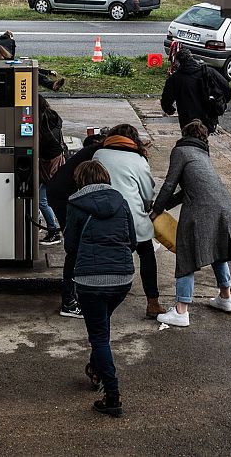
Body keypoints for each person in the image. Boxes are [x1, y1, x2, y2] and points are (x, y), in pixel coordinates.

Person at [64, 160, 137, 418]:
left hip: (90, 281)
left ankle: (113, 395)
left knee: (100, 336)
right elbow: (133, 242)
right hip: (122, 279)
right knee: (102, 325)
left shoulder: (75, 205)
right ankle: (95, 368)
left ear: (80, 180)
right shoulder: (121, 201)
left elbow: (70, 248)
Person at [152, 120, 231, 327]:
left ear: (184, 134)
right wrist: (163, 207)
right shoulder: (203, 154)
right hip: (225, 205)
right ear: (203, 138)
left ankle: (181, 311)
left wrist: (156, 210)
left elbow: (170, 184)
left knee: (187, 254)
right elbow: (186, 190)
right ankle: (226, 298)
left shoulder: (181, 150)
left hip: (202, 209)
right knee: (219, 250)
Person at [93, 124, 167, 319]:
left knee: (105, 256)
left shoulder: (99, 155)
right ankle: (152, 302)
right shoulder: (139, 159)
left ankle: (102, 298)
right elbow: (147, 193)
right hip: (133, 217)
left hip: (104, 217)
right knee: (146, 254)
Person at [47, 133, 106, 318]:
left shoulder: (97, 150)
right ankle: (69, 301)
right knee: (74, 249)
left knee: (77, 248)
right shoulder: (103, 153)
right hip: (64, 197)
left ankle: (74, 296)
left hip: (63, 194)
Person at [161, 43, 231, 133]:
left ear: (178, 62)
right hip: (207, 116)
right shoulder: (208, 72)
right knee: (204, 136)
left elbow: (167, 99)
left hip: (186, 117)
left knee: (188, 136)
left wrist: (169, 109)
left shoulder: (175, 78)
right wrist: (222, 102)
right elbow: (226, 88)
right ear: (192, 58)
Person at [37, 95, 66, 246]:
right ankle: (50, 227)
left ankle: (53, 230)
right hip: (55, 159)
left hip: (48, 162)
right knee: (41, 197)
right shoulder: (53, 116)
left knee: (42, 200)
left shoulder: (41, 121)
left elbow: (38, 142)